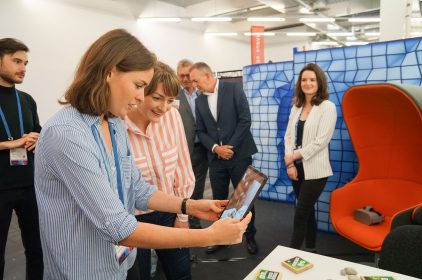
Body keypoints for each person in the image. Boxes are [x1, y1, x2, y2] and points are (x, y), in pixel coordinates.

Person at [33, 29, 251, 280]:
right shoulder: (67, 134)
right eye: (138, 86)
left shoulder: (113, 122)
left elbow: (136, 187)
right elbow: (118, 226)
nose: (140, 97)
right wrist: (210, 236)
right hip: (83, 270)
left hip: (118, 264)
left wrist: (190, 206)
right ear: (109, 72)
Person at [126, 62, 194, 279]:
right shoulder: (118, 125)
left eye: (170, 100)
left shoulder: (172, 117)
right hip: (132, 220)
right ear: (139, 91)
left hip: (169, 211)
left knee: (180, 272)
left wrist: (182, 218)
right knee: (138, 275)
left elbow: (182, 167)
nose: (164, 107)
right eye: (157, 97)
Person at [189, 62, 259, 255]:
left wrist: (230, 148)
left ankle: (250, 236)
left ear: (208, 75)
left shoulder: (233, 88)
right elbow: (201, 132)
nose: (194, 85)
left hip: (240, 154)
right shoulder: (199, 101)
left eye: (196, 80)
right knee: (219, 200)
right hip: (216, 159)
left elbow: (245, 119)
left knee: (244, 198)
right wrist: (216, 148)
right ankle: (222, 238)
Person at [0, 38, 43, 279]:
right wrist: (10, 143)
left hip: (29, 185)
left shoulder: (26, 100)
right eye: (16, 61)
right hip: (1, 188)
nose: (23, 68)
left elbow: (36, 130)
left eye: (25, 62)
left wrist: (37, 139)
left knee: (37, 249)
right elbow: (12, 143)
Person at [284, 63, 337, 251]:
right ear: (300, 83)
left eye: (312, 80)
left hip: (316, 170)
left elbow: (320, 141)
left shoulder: (327, 107)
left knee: (300, 214)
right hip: (296, 168)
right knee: (308, 211)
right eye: (304, 80)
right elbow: (288, 135)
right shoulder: (296, 106)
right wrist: (290, 164)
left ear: (319, 82)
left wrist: (293, 156)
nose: (308, 83)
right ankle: (312, 249)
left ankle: (290, 255)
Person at [176, 59, 208, 229]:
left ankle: (195, 223)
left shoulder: (202, 93)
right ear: (177, 76)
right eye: (182, 75)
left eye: (189, 75)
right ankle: (182, 221)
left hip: (202, 149)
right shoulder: (173, 96)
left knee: (198, 188)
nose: (186, 79)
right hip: (183, 151)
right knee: (183, 188)